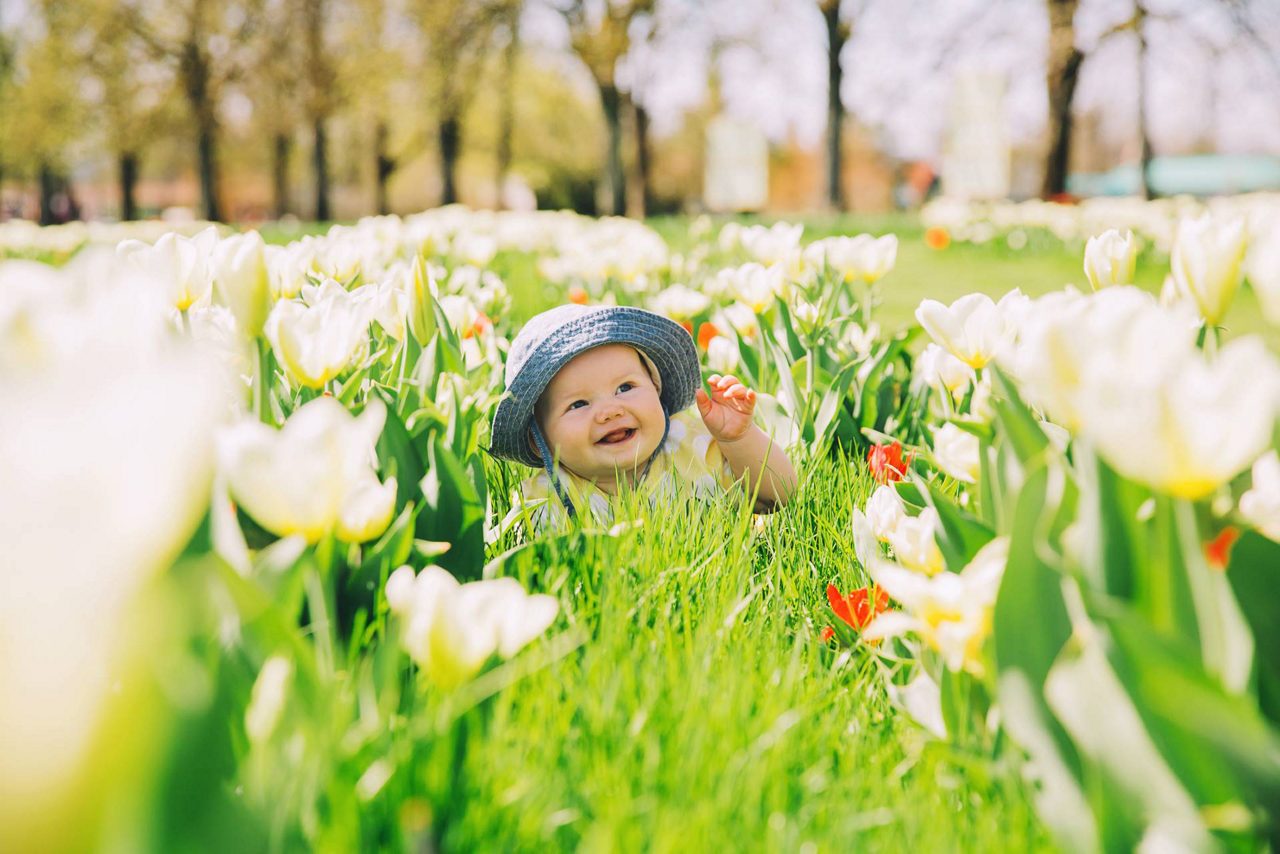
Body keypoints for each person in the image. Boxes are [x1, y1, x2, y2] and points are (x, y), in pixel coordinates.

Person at [488, 304, 797, 530]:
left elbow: (779, 496)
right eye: (579, 404)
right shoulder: (545, 501)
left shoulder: (694, 448)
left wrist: (739, 439)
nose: (610, 411)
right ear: (537, 438)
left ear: (656, 389)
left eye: (625, 387)